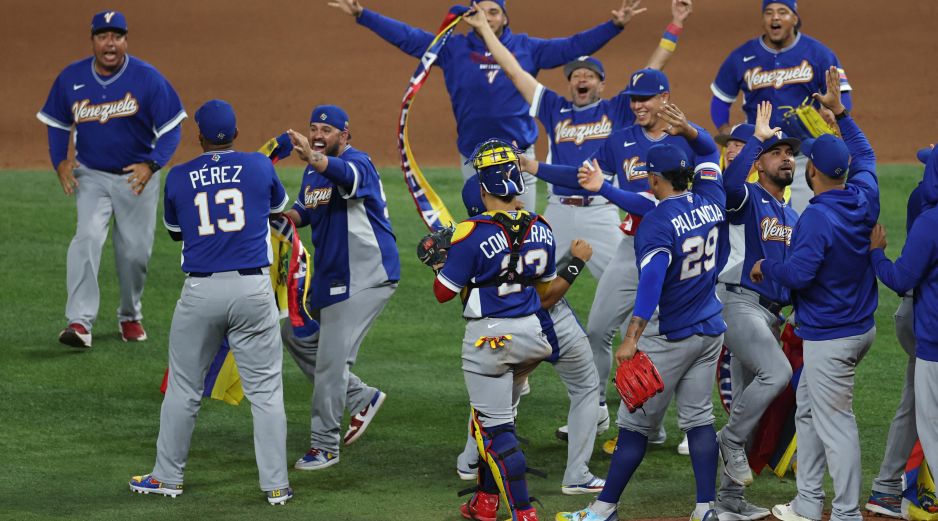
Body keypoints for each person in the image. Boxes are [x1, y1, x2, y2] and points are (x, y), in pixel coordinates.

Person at [531, 68, 719, 451]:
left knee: (675, 336)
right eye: (633, 98)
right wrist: (534, 167)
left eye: (645, 98)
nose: (637, 105)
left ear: (665, 97)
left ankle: (682, 424)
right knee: (599, 329)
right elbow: (583, 175)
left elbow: (708, 157)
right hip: (632, 247)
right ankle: (595, 407)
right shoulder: (622, 140)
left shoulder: (687, 140)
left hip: (681, 253)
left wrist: (693, 134)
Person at [128, 100, 292, 505]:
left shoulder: (180, 177)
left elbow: (175, 233)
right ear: (235, 133)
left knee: (184, 388)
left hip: (201, 293)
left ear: (198, 136)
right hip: (253, 291)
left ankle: (167, 477)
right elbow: (277, 210)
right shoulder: (258, 165)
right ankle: (276, 486)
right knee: (267, 392)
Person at [329, 0, 643, 210]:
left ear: (505, 17)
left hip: (520, 155)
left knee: (526, 226)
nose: (488, 17)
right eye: (482, 10)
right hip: (474, 156)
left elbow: (573, 46)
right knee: (485, 228)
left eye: (494, 11)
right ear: (470, 16)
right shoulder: (452, 47)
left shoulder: (526, 48)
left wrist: (614, 26)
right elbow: (409, 37)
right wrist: (363, 15)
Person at [461, 0, 692, 279]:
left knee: (628, 280)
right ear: (570, 84)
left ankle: (645, 322)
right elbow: (513, 69)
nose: (581, 78)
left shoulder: (617, 108)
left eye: (589, 75)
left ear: (601, 84)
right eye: (575, 75)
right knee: (527, 277)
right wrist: (485, 29)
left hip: (601, 211)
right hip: (558, 210)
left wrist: (676, 23)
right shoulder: (553, 107)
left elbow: (656, 65)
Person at [558, 143, 727, 521]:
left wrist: (632, 337)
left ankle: (603, 509)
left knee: (634, 426)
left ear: (653, 179)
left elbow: (651, 280)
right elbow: (710, 154)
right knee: (700, 419)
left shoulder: (656, 222)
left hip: (669, 337)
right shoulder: (712, 200)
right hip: (711, 329)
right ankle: (705, 509)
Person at [749, 67, 878, 521]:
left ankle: (845, 514)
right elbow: (866, 154)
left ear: (812, 172)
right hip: (859, 327)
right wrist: (841, 114)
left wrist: (767, 267)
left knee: (836, 424)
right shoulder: (865, 195)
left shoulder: (816, 219)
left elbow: (797, 276)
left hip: (830, 337)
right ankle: (807, 502)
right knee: (808, 412)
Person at [37, 10, 186, 348]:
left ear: (125, 41)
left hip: (137, 178)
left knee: (134, 253)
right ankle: (79, 321)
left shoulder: (147, 78)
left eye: (117, 36)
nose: (110, 43)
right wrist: (59, 161)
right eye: (103, 36)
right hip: (91, 175)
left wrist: (152, 165)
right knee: (86, 238)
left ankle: (130, 314)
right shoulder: (71, 78)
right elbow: (58, 123)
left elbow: (171, 128)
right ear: (93, 41)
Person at [428, 139, 556, 521]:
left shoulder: (470, 232)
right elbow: (544, 288)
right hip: (533, 337)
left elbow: (442, 294)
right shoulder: (542, 226)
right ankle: (485, 501)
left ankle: (524, 510)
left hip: (489, 342)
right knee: (501, 418)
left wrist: (440, 263)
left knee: (493, 430)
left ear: (482, 188)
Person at [455, 175, 605, 496]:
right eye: (506, 194)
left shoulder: (472, 241)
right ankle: (577, 474)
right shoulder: (528, 229)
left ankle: (471, 462)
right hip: (545, 325)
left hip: (499, 335)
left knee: (496, 405)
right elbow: (545, 298)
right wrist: (576, 262)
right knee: (586, 387)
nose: (517, 199)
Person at [283, 105, 400, 470]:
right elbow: (305, 210)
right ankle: (360, 396)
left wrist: (313, 156)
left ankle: (324, 446)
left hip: (365, 276)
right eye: (314, 127)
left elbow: (344, 177)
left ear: (344, 135)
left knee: (332, 362)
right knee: (295, 333)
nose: (319, 134)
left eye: (327, 130)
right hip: (332, 278)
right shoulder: (311, 171)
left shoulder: (358, 163)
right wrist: (280, 219)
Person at [714, 101, 799, 521]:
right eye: (777, 152)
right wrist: (756, 140)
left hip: (769, 315)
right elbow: (726, 188)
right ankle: (727, 442)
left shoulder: (793, 213)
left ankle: (728, 502)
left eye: (790, 153)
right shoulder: (747, 195)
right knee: (778, 373)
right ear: (760, 163)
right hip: (737, 302)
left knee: (749, 407)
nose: (786, 158)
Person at [710, 0, 852, 214]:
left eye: (782, 12)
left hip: (805, 155)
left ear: (795, 18)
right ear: (763, 19)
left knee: (808, 218)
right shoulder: (742, 56)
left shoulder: (819, 54)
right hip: (760, 158)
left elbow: (842, 94)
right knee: (763, 224)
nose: (775, 17)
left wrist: (834, 114)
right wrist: (724, 127)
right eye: (769, 13)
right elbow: (721, 99)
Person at [863, 145, 934, 519]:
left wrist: (878, 256)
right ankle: (896, 486)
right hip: (920, 314)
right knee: (920, 403)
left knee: (918, 403)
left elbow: (907, 275)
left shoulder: (924, 200)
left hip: (919, 312)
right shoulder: (925, 203)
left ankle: (891, 486)